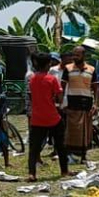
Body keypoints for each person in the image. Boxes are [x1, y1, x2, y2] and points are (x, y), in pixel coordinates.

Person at [27, 53, 68, 181]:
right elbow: (60, 97)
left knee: (34, 147)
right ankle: (64, 171)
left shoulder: (32, 79)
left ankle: (32, 173)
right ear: (48, 64)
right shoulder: (52, 79)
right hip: (52, 117)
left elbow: (31, 96)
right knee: (60, 145)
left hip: (37, 117)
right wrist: (57, 103)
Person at [62, 46, 97, 162]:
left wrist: (96, 104)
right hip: (72, 104)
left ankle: (83, 156)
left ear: (83, 56)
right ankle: (70, 154)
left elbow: (96, 88)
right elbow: (62, 87)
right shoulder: (68, 68)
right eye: (74, 54)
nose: (75, 57)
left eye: (78, 55)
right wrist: (62, 103)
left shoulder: (91, 69)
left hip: (87, 104)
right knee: (72, 130)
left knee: (85, 131)